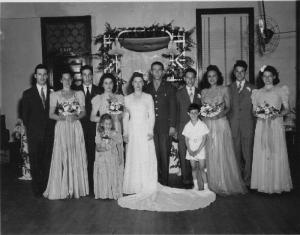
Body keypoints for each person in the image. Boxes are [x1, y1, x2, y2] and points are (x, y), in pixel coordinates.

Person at [118, 72, 215, 212]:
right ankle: (134, 185)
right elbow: (125, 117)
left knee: (145, 157)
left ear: (143, 83)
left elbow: (151, 115)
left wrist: (150, 130)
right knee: (134, 157)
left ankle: (147, 184)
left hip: (145, 131)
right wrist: (125, 133)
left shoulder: (148, 97)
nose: (138, 84)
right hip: (133, 131)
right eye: (135, 81)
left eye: (140, 81)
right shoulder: (126, 99)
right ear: (132, 83)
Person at [200, 65, 247, 195]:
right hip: (207, 124)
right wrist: (205, 114)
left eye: (214, 75)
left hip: (220, 124)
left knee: (221, 152)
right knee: (209, 152)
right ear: (206, 78)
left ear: (218, 77)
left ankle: (223, 182)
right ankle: (210, 183)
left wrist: (219, 114)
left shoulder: (224, 89)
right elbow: (202, 110)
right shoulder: (204, 92)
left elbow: (228, 107)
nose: (212, 78)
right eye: (209, 76)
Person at [43, 70, 89, 199]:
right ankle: (63, 187)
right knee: (63, 154)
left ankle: (75, 187)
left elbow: (84, 112)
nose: (67, 81)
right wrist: (61, 117)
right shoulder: (55, 95)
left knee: (75, 153)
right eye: (64, 78)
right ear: (61, 80)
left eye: (69, 79)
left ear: (72, 80)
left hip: (75, 126)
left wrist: (76, 116)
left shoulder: (79, 94)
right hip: (62, 127)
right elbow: (51, 114)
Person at [251, 65, 293, 193]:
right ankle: (263, 184)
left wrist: (278, 114)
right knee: (262, 150)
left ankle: (276, 184)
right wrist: (260, 113)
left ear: (274, 77)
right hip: (262, 125)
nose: (267, 78)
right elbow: (254, 111)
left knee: (275, 151)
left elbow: (287, 109)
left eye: (270, 76)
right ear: (262, 78)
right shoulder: (257, 93)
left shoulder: (281, 90)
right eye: (265, 76)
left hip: (275, 125)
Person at [21, 64, 52, 197]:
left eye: (44, 74)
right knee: (36, 163)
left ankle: (47, 188)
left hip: (50, 134)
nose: (42, 77)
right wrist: (34, 131)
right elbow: (25, 116)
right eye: (39, 74)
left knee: (48, 162)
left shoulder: (53, 93)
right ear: (35, 76)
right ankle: (38, 191)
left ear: (47, 76)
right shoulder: (27, 94)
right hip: (35, 135)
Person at [144, 61, 177, 186]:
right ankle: (155, 181)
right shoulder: (146, 88)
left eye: (159, 70)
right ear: (151, 72)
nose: (157, 72)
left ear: (163, 72)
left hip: (165, 127)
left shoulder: (170, 87)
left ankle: (165, 182)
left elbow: (173, 108)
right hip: (150, 127)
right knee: (153, 154)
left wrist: (173, 126)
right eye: (154, 70)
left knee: (164, 154)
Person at [228, 60, 255, 187]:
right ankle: (238, 179)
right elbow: (227, 108)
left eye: (242, 71)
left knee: (247, 153)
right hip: (233, 126)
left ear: (245, 72)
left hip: (247, 126)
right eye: (237, 71)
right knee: (235, 153)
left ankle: (248, 179)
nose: (239, 74)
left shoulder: (253, 88)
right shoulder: (229, 88)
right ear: (234, 72)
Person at [74, 65, 101, 194]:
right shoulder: (75, 91)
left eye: (89, 74)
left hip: (95, 129)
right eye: (84, 74)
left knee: (94, 157)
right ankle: (83, 185)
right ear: (81, 76)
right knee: (82, 157)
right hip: (80, 128)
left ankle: (94, 184)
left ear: (92, 75)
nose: (87, 77)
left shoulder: (99, 90)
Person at [176, 67, 202, 188]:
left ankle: (196, 178)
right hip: (183, 127)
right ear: (184, 79)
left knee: (196, 152)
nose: (190, 80)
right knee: (183, 152)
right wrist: (176, 129)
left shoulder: (200, 92)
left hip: (196, 128)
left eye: (192, 78)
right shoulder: (179, 93)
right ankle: (186, 179)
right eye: (188, 78)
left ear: (195, 79)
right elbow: (175, 111)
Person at [94, 114, 123, 199]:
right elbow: (97, 148)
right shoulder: (99, 134)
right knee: (104, 175)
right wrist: (103, 149)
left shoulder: (115, 133)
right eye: (106, 124)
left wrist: (120, 157)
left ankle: (113, 192)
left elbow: (119, 146)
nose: (108, 126)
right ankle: (104, 193)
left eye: (110, 124)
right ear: (102, 124)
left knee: (112, 174)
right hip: (102, 158)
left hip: (112, 157)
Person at [182, 103, 209, 191]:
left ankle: (206, 187)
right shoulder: (187, 126)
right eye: (191, 113)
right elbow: (186, 139)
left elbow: (204, 139)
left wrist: (198, 150)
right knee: (193, 168)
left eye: (195, 112)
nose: (193, 115)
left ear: (198, 113)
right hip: (191, 150)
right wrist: (189, 150)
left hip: (200, 150)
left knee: (202, 168)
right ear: (188, 114)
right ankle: (196, 186)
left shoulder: (202, 125)